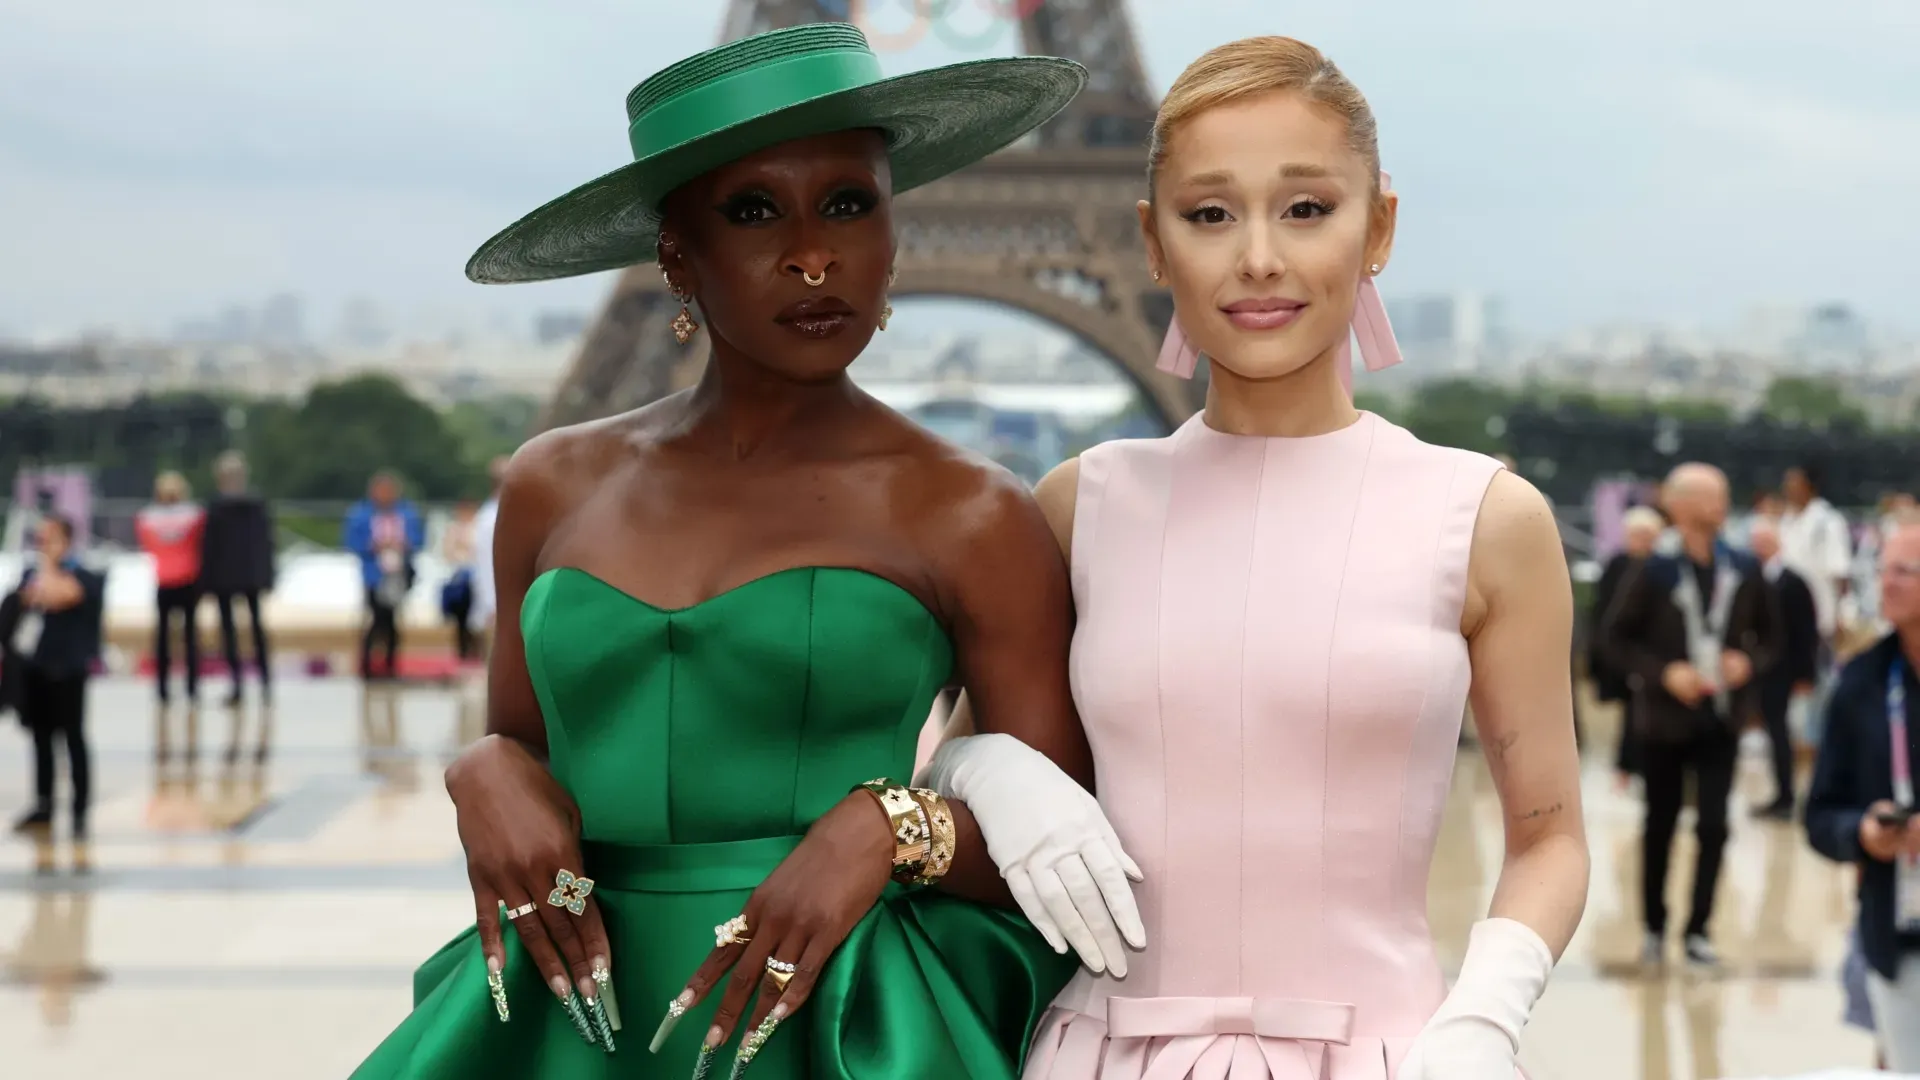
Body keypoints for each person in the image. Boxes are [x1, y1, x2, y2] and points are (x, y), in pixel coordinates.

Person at [351, 23, 1096, 1080]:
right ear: (675, 254)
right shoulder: (547, 483)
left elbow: (1062, 850)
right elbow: (525, 751)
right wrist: (481, 768)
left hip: (832, 1023)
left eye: (850, 202)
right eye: (753, 210)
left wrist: (891, 828)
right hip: (565, 1027)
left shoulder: (970, 511)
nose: (812, 252)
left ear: (896, 229)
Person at [924, 36, 1590, 1078]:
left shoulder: (1488, 519)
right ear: (1149, 240)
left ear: (1382, 227)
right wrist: (987, 763)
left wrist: (1482, 1022)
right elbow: (951, 763)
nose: (1260, 257)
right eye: (1210, 213)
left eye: (1307, 208)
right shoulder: (1078, 507)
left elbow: (1549, 833)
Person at [1600, 463, 1780, 969]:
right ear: (1677, 506)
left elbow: (1772, 639)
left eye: (1722, 495)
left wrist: (1748, 662)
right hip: (1663, 720)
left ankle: (1699, 929)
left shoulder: (1743, 566)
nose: (1718, 505)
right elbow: (1616, 638)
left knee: (1717, 826)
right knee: (1659, 823)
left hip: (1721, 716)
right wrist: (1663, 673)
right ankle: (1654, 928)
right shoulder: (1654, 568)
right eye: (1706, 496)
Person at [1806, 513, 1920, 1069]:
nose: (1887, 582)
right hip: (1898, 929)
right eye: (1883, 569)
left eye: (1905, 570)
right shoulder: (1863, 684)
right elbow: (1821, 814)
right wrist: (1863, 833)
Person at [4, 515, 106, 838]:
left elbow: (63, 595)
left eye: (49, 539)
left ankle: (79, 808)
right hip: (36, 668)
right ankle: (44, 803)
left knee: (73, 738)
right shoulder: (29, 575)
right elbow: (21, 604)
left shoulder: (87, 577)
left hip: (69, 670)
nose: (43, 546)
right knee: (40, 738)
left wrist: (46, 573)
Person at [1749, 515, 1821, 819]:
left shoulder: (1792, 582)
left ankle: (1786, 796)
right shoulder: (1753, 578)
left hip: (1785, 669)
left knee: (1780, 732)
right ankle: (1781, 793)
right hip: (1761, 669)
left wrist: (1806, 673)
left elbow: (1807, 631)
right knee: (1772, 729)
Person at [199, 450, 276, 706]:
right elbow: (266, 543)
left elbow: (209, 547)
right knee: (252, 628)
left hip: (226, 576)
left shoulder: (219, 507)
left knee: (236, 631)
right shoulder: (255, 505)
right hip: (247, 575)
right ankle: (262, 684)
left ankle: (243, 684)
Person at [1595, 505, 1664, 789]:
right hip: (1623, 649)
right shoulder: (1617, 564)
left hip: (1652, 652)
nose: (1642, 541)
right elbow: (1604, 610)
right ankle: (1624, 766)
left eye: (1648, 536)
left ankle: (1649, 768)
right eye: (1637, 535)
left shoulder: (1661, 567)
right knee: (1629, 712)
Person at [343, 472, 424, 680]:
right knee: (376, 618)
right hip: (374, 575)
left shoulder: (406, 513)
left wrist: (403, 544)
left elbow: (417, 540)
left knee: (392, 620)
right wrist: (373, 546)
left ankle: (390, 665)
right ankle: (369, 666)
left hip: (398, 575)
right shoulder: (361, 514)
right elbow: (351, 542)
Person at [466, 456, 509, 658]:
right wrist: (492, 602)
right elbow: (486, 565)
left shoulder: (495, 515)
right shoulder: (491, 519)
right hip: (496, 604)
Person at [439, 500, 480, 661]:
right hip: (458, 576)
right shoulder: (453, 529)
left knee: (475, 615)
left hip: (474, 575)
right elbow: (447, 552)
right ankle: (463, 649)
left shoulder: (478, 528)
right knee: (461, 617)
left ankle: (474, 648)